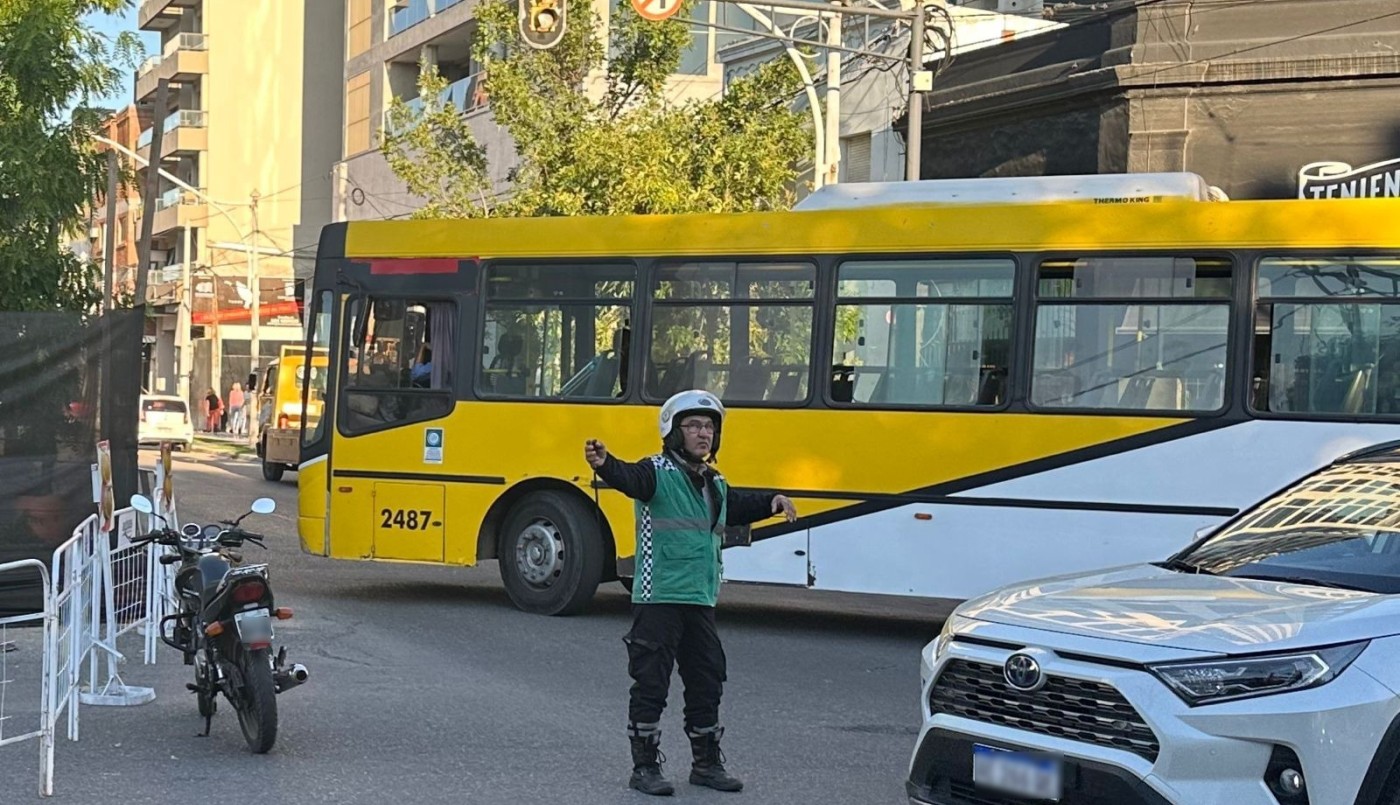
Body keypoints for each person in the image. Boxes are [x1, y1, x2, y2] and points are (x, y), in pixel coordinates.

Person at [584, 389, 797, 797]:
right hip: (659, 595)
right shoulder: (655, 471)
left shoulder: (714, 481)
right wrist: (604, 463)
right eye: (695, 426)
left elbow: (733, 504)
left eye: (710, 427)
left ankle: (706, 763)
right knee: (651, 683)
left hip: (700, 599)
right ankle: (644, 767)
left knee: (707, 679)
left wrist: (771, 501)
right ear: (674, 431)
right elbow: (629, 477)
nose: (704, 433)